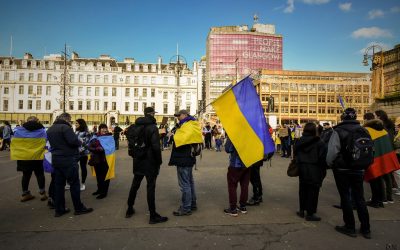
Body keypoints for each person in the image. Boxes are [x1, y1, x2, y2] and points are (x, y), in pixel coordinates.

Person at [326, 108, 371, 239]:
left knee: (345, 197)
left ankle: (350, 226)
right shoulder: (364, 130)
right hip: (359, 168)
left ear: (342, 117)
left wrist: (329, 164)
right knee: (360, 197)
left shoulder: (338, 131)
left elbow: (332, 152)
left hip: (342, 169)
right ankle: (366, 228)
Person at [125, 107, 168, 224]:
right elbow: (155, 147)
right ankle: (152, 215)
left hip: (138, 159)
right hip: (150, 161)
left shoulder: (134, 126)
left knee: (135, 184)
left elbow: (132, 139)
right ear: (151, 114)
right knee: (150, 187)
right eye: (154, 113)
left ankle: (129, 208)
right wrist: (159, 161)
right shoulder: (152, 127)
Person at [47, 113, 93, 217]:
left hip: (56, 159)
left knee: (58, 186)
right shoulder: (65, 128)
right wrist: (79, 141)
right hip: (68, 158)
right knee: (74, 184)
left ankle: (59, 209)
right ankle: (78, 207)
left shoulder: (50, 129)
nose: (70, 122)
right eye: (70, 120)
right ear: (67, 119)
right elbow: (73, 141)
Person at [169, 109, 202, 216]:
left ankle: (186, 207)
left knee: (185, 184)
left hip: (184, 158)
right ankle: (192, 204)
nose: (178, 117)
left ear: (185, 115)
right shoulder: (187, 125)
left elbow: (181, 139)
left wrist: (173, 135)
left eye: (179, 115)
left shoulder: (188, 125)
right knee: (189, 182)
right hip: (187, 158)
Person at [363, 113, 400, 207]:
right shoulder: (383, 130)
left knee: (374, 180)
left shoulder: (367, 130)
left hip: (373, 158)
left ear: (366, 120)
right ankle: (381, 200)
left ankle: (376, 201)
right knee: (380, 179)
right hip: (384, 158)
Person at [295, 123, 327, 221]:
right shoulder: (319, 142)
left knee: (303, 189)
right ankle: (310, 213)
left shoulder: (299, 141)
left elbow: (295, 154)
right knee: (313, 191)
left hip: (303, 168)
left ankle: (301, 210)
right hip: (315, 168)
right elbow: (323, 157)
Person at [11, 116, 48, 202]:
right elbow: (46, 141)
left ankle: (25, 194)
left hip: (24, 156)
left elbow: (13, 141)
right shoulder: (42, 131)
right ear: (37, 121)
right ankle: (42, 193)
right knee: (39, 174)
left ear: (27, 121)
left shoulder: (18, 131)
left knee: (26, 175)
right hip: (37, 156)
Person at [224, 135, 250, 216]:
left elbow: (227, 149)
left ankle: (233, 209)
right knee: (245, 185)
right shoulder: (250, 133)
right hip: (248, 163)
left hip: (236, 164)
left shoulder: (234, 133)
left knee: (232, 186)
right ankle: (243, 206)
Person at [88, 123, 115, 199]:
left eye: (105, 128)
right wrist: (95, 148)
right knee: (99, 176)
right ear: (99, 129)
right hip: (97, 159)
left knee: (105, 176)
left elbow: (111, 148)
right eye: (102, 128)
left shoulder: (110, 137)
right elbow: (89, 146)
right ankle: (99, 190)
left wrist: (101, 148)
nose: (104, 130)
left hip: (106, 159)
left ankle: (104, 192)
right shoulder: (95, 137)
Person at [375, 110, 396, 204]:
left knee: (381, 175)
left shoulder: (381, 127)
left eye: (375, 115)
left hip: (383, 152)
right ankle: (389, 197)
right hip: (390, 151)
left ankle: (383, 198)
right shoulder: (390, 125)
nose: (374, 117)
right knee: (388, 176)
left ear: (379, 116)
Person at [75, 119, 91, 191]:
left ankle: (83, 183)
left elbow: (87, 144)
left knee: (83, 168)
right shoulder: (76, 131)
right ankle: (72, 182)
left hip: (83, 154)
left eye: (77, 123)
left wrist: (80, 150)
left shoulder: (86, 132)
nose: (75, 124)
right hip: (75, 153)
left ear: (81, 124)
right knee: (73, 168)